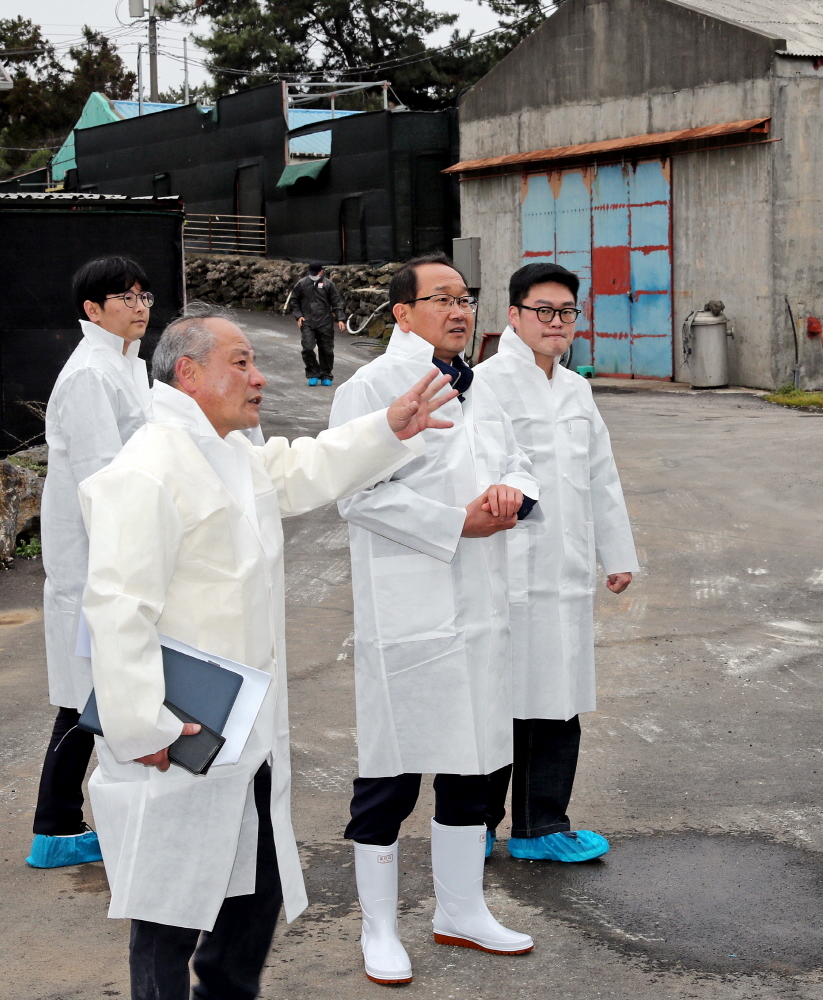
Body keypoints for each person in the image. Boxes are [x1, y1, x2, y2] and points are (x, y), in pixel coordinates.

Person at [81, 304, 455, 1000]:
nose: (259, 378)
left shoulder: (224, 452)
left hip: (245, 732)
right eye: (243, 363)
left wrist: (386, 428)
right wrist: (143, 728)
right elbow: (116, 606)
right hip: (181, 732)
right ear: (189, 373)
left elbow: (296, 469)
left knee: (253, 896)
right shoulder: (149, 467)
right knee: (169, 911)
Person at [328, 252, 540, 986]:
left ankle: (460, 911)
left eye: (465, 298)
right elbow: (356, 494)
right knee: (391, 772)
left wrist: (513, 493)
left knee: (473, 765)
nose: (459, 311)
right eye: (442, 298)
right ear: (402, 312)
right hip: (409, 609)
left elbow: (519, 460)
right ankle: (379, 929)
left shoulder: (477, 387)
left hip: (479, 606)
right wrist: (458, 523)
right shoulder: (371, 387)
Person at [475, 262, 638, 863]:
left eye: (566, 312)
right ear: (513, 315)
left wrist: (615, 554)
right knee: (506, 702)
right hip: (507, 573)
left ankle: (542, 826)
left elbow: (602, 476)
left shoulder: (576, 389)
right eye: (543, 310)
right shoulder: (485, 384)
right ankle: (477, 824)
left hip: (564, 575)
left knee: (560, 699)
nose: (556, 322)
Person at [27, 257, 155, 870]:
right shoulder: (89, 376)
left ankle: (61, 824)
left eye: (143, 295)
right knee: (91, 696)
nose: (139, 305)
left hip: (122, 553)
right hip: (98, 557)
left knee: (99, 693)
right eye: (124, 297)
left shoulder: (129, 367)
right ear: (92, 310)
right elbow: (106, 477)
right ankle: (55, 827)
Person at [290, 262, 346, 387]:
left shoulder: (328, 284)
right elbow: (295, 300)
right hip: (308, 322)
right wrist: (299, 316)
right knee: (308, 348)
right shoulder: (302, 284)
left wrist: (341, 318)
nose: (314, 276)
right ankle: (313, 373)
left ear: (321, 272)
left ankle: (326, 375)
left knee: (326, 349)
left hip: (325, 321)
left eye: (316, 273)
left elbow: (336, 302)